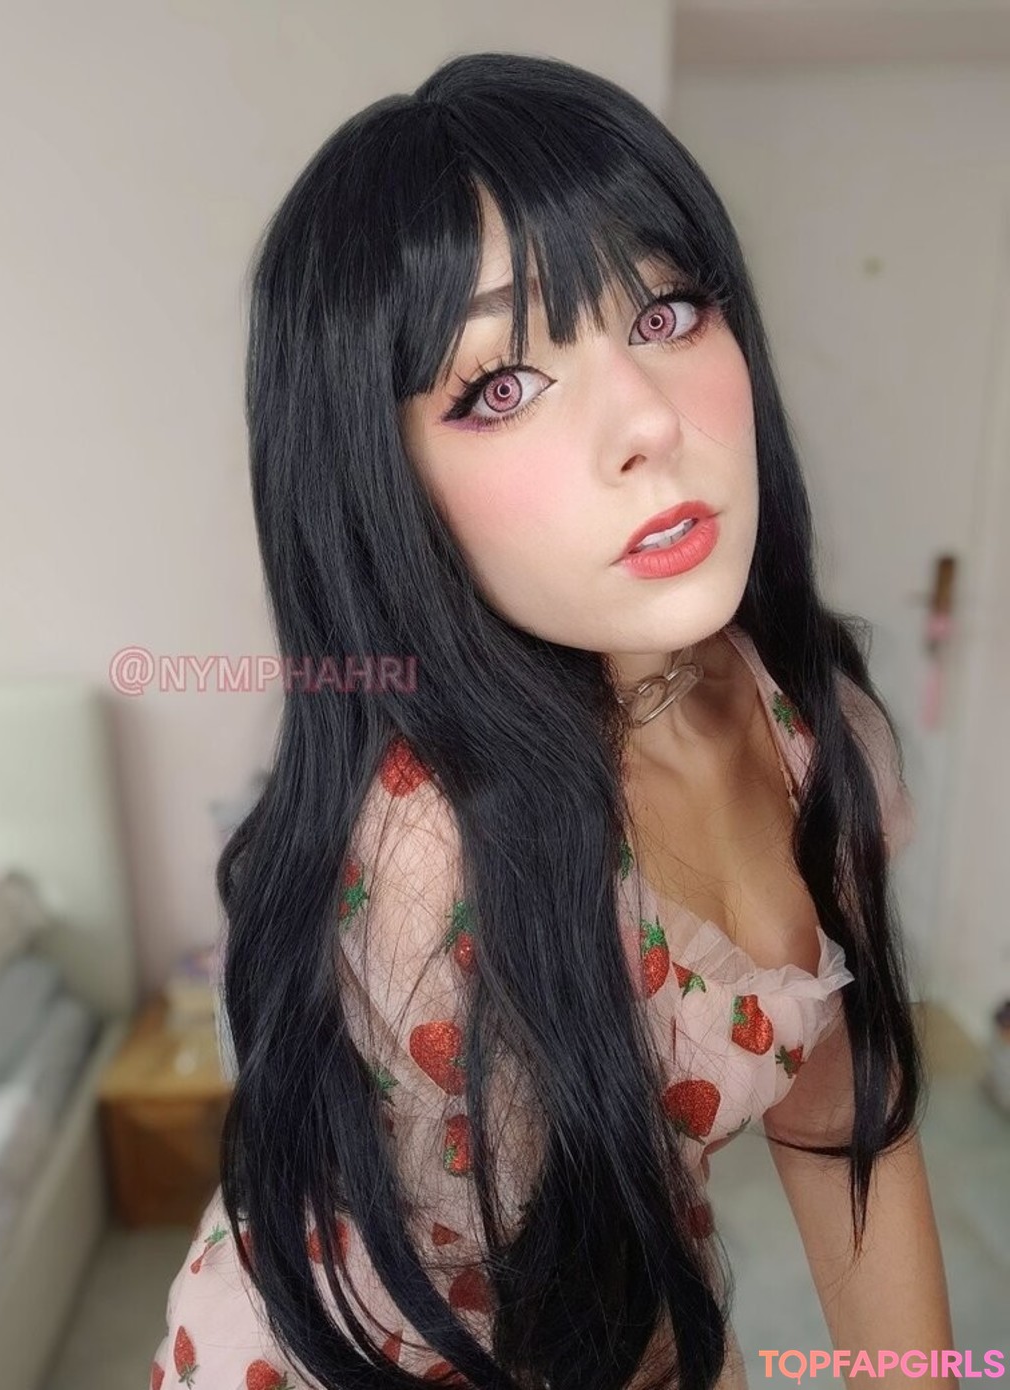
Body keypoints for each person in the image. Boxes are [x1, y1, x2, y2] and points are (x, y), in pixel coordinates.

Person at [150, 50, 956, 1390]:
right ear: (384, 486)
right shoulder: (432, 872)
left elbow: (846, 1126)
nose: (646, 422)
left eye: (668, 311)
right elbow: (537, 1323)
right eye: (501, 386)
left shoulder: (808, 721)